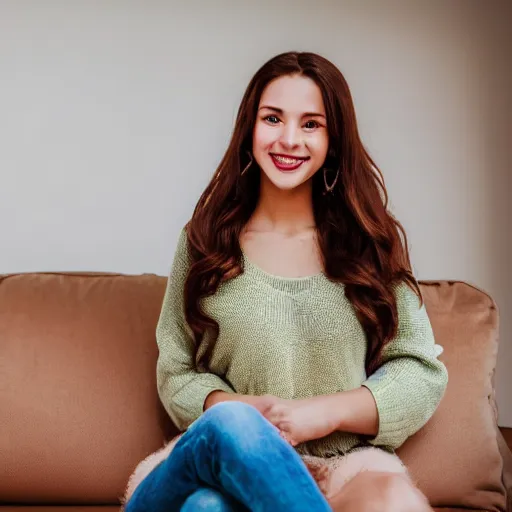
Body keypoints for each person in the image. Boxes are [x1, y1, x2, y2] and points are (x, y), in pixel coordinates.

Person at [124, 51, 448, 512]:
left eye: (311, 124)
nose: (289, 139)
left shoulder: (371, 243)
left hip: (342, 468)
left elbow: (419, 371)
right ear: (249, 129)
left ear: (334, 140)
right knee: (228, 438)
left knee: (394, 501)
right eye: (272, 118)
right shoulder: (204, 241)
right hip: (219, 460)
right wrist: (246, 414)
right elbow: (176, 372)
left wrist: (318, 414)